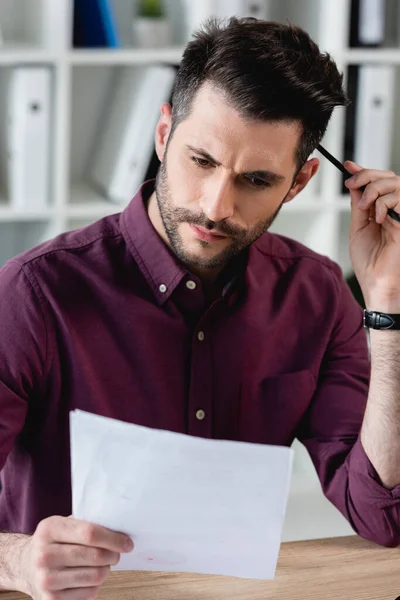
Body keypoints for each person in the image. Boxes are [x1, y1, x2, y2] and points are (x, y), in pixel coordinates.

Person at [1, 15, 400, 599]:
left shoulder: (316, 295)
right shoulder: (34, 293)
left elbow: (382, 517)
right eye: (202, 161)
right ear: (164, 135)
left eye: (257, 179)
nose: (217, 206)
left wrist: (388, 307)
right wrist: (15, 560)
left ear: (300, 181)